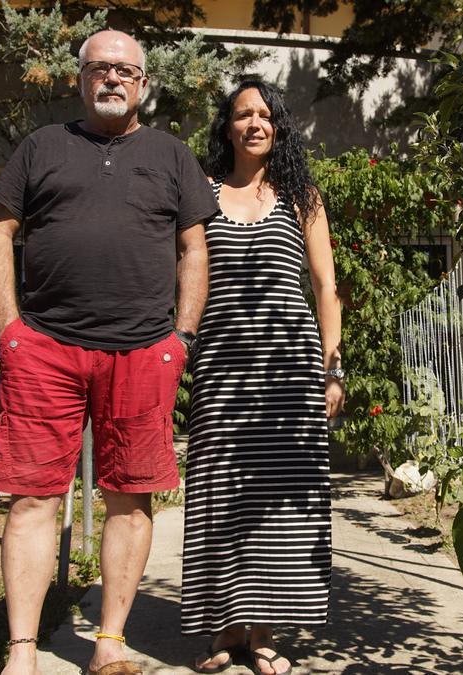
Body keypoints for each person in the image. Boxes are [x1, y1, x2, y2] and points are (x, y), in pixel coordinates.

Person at [0, 29, 216, 675]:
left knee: (131, 496)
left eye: (125, 70)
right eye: (99, 69)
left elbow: (195, 248)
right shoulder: (42, 147)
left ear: (143, 83)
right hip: (46, 349)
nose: (112, 79)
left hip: (143, 351)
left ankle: (108, 642)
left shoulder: (172, 154)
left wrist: (181, 338)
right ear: (80, 79)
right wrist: (10, 328)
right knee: (31, 496)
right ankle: (22, 649)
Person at [181, 80, 343, 675]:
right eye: (243, 114)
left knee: (280, 505)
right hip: (222, 369)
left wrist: (332, 370)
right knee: (220, 495)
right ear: (226, 127)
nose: (255, 123)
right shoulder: (198, 192)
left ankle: (266, 633)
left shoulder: (302, 194)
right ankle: (224, 631)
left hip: (291, 373)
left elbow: (327, 288)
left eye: (265, 114)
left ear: (279, 126)